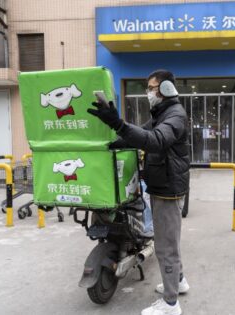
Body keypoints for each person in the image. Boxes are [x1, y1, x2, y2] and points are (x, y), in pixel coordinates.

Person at [88, 69, 190, 315]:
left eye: (151, 87)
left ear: (165, 89)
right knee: (168, 240)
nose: (148, 92)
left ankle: (170, 304)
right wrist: (111, 142)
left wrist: (118, 124)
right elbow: (139, 135)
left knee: (166, 245)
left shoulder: (175, 115)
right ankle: (179, 281)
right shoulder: (161, 114)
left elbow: (155, 140)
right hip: (162, 185)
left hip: (169, 190)